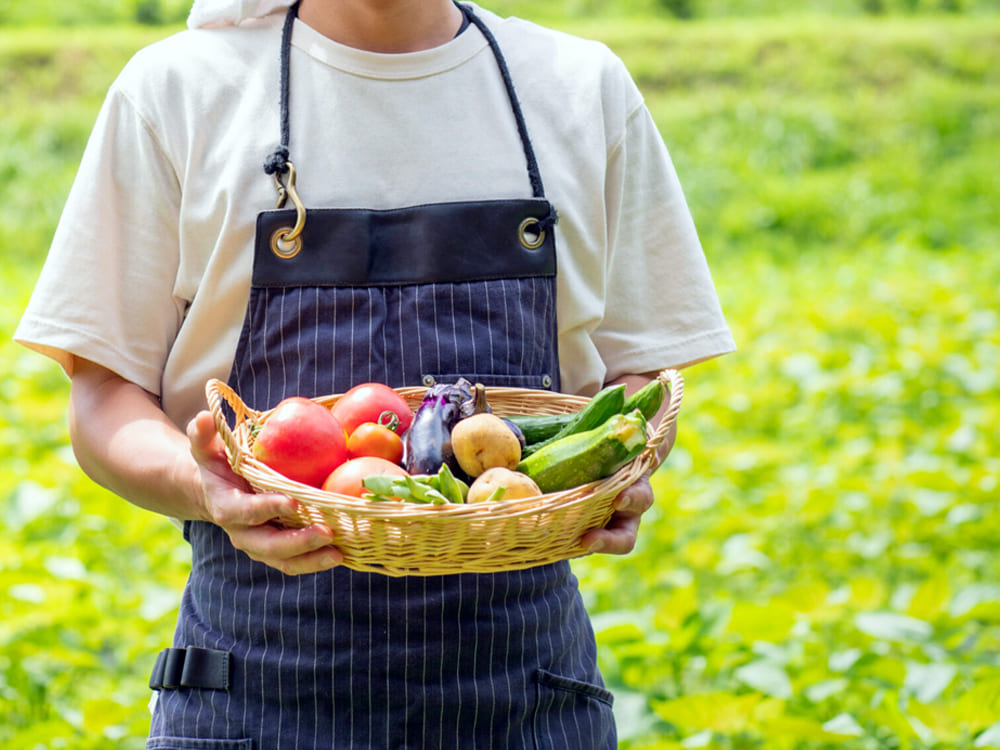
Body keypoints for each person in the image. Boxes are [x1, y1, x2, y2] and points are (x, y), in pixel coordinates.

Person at [15, 0, 735, 747]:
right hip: (254, 695)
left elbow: (641, 379)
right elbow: (104, 396)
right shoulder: (179, 90)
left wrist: (609, 468)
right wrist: (205, 487)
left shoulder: (580, 87)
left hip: (527, 701)